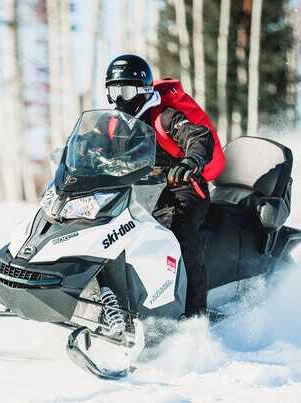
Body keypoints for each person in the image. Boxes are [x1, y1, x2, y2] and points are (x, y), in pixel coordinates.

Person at [104, 54, 225, 317]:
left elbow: (197, 135)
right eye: (113, 91)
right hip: (140, 192)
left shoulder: (164, 116)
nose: (120, 99)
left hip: (182, 188)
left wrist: (191, 159)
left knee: (179, 235)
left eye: (125, 90)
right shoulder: (116, 124)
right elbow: (96, 143)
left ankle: (194, 315)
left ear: (144, 91)